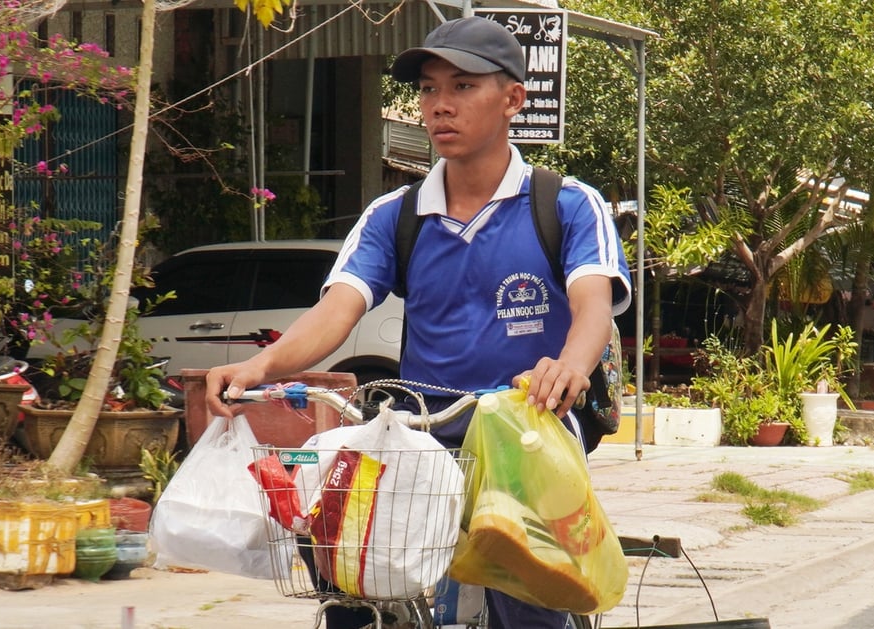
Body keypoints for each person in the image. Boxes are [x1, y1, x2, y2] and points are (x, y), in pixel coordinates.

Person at [204, 15, 631, 629]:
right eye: (429, 89)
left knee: (526, 594)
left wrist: (568, 367)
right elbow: (339, 309)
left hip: (527, 430)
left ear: (513, 98)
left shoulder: (564, 204)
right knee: (337, 541)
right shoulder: (394, 215)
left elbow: (592, 304)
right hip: (423, 429)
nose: (439, 106)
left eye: (462, 87)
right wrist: (259, 366)